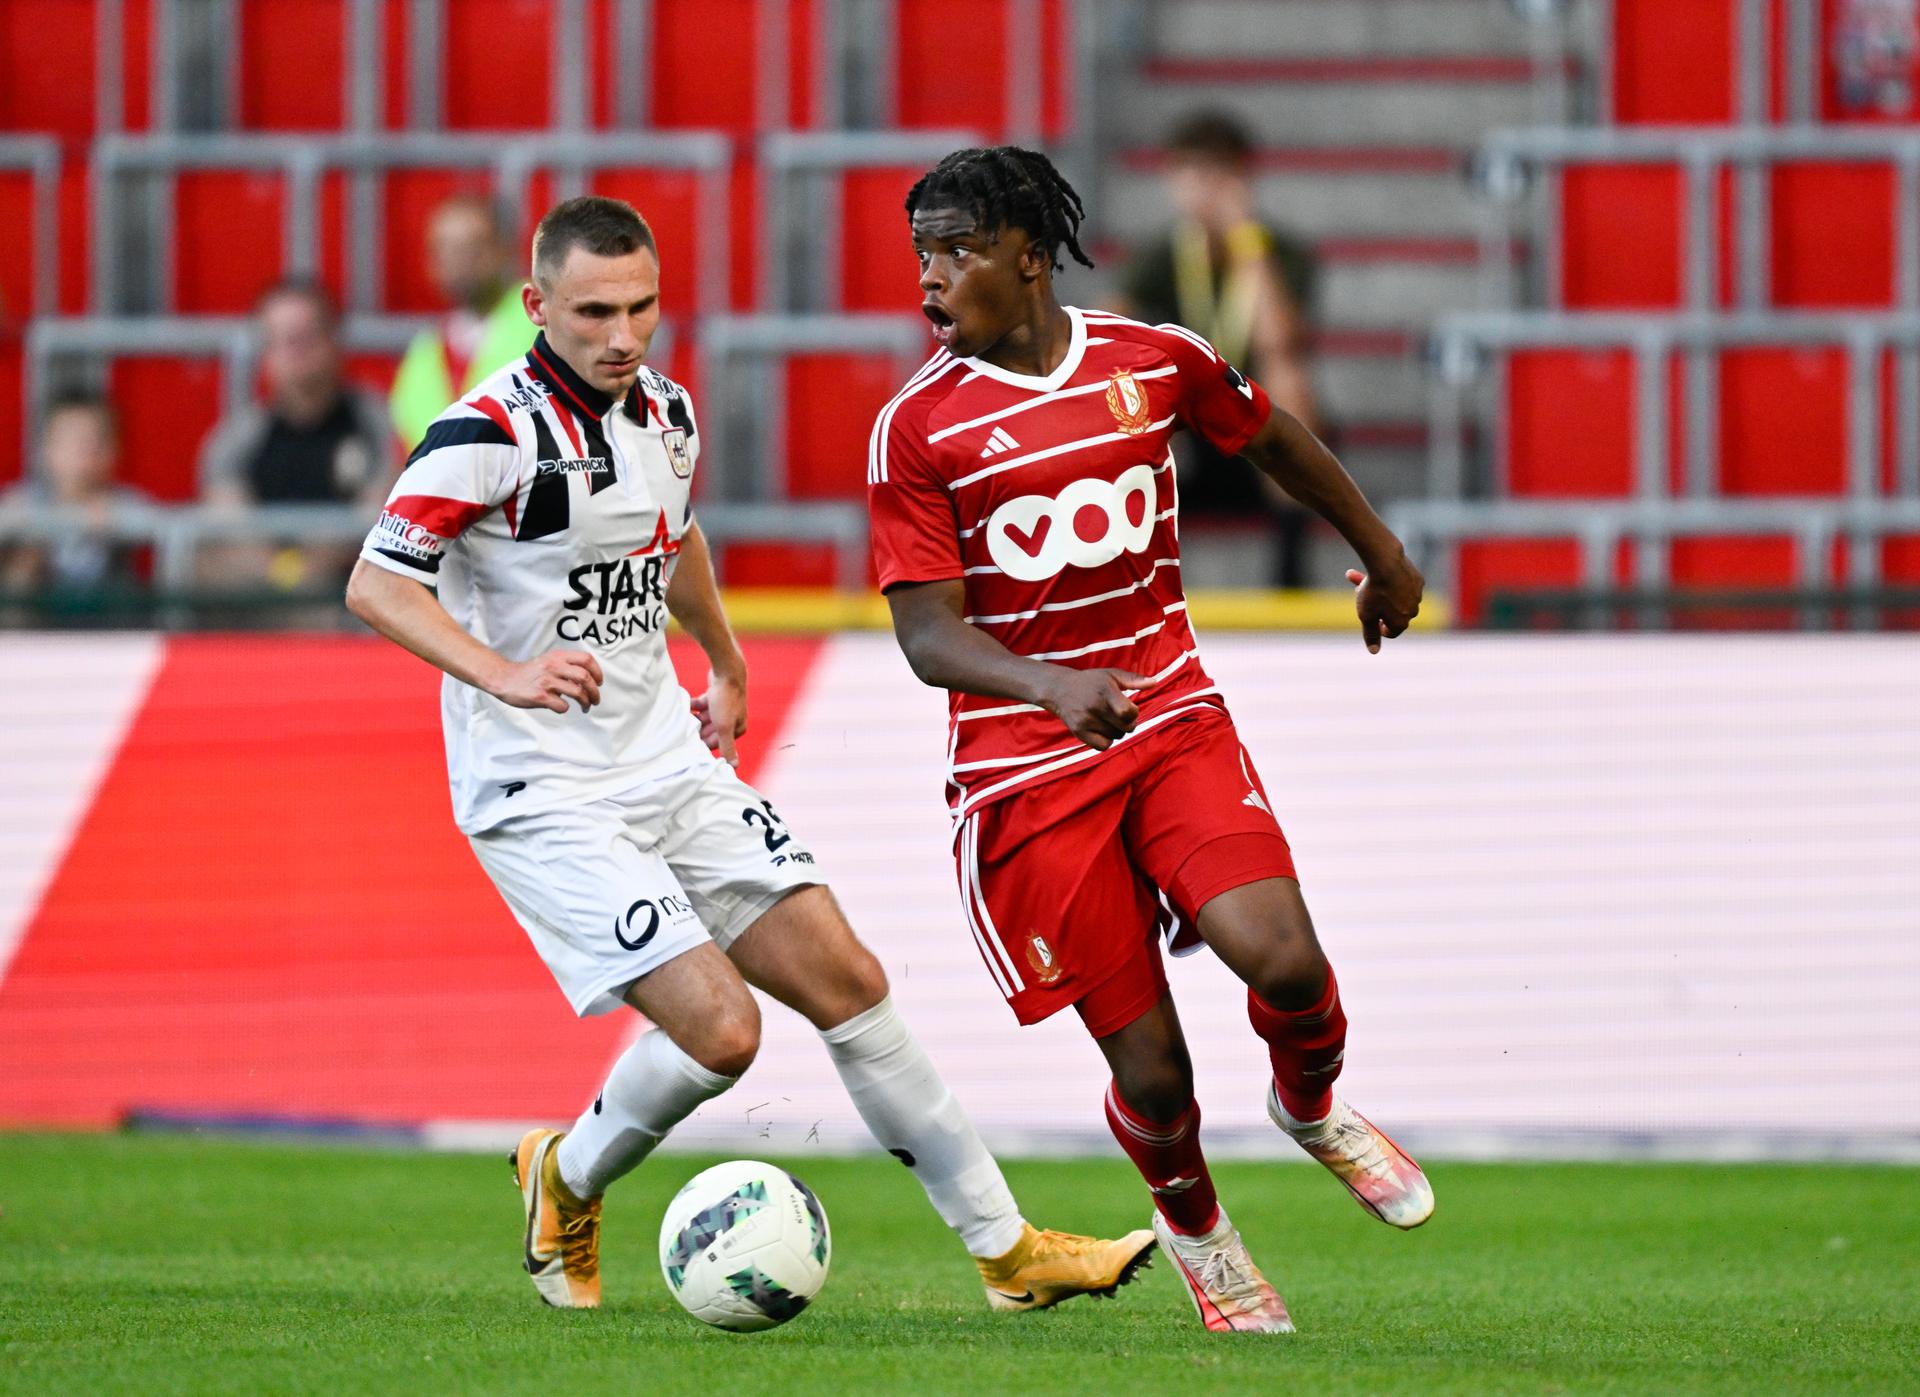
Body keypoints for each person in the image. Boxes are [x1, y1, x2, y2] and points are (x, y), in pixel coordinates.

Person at [344, 195, 1154, 1317]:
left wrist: (721, 654)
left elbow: (669, 537)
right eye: (592, 313)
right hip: (542, 787)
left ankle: (1008, 1252)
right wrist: (505, 671)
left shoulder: (666, 410)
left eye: (642, 308)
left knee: (851, 981)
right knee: (725, 1030)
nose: (623, 336)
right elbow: (375, 583)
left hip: (666, 758)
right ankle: (567, 1176)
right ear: (537, 307)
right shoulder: (484, 434)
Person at [867, 147, 1435, 1335]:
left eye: (955, 251)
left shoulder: (1152, 357)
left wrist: (1381, 550)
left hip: (1169, 713)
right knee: (1157, 1076)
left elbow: (1270, 436)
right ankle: (1202, 1236)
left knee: (1282, 960)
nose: (930, 278)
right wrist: (1044, 683)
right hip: (1024, 773)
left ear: (1029, 257)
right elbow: (926, 633)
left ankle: (1311, 1102)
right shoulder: (918, 426)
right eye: (920, 251)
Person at [1115, 111, 1323, 587]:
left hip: (1259, 433)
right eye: (1189, 173)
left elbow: (1283, 341)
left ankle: (1290, 578)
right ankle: (1125, 581)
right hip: (1188, 433)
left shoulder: (1280, 251)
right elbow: (1108, 330)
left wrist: (1247, 243)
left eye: (1216, 174)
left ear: (1243, 179)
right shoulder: (1159, 255)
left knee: (1287, 376)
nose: (1202, 189)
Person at [198, 280, 394, 588]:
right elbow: (227, 524)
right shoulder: (236, 441)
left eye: (306, 337)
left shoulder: (379, 423)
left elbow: (383, 514)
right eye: (282, 340)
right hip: (261, 600)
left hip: (353, 600)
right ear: (264, 351)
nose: (296, 351)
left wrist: (315, 567)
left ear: (334, 340)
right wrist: (286, 574)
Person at [389, 193, 538, 452]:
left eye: (472, 246)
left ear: (506, 249)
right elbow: (403, 447)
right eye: (442, 248)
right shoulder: (424, 351)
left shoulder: (545, 320)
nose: (457, 259)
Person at [0, 390, 152, 597]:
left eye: (98, 439)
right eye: (73, 439)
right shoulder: (20, 502)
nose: (87, 450)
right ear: (47, 449)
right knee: (22, 565)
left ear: (116, 450)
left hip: (109, 619)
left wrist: (119, 524)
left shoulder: (126, 503)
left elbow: (174, 534)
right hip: (38, 619)